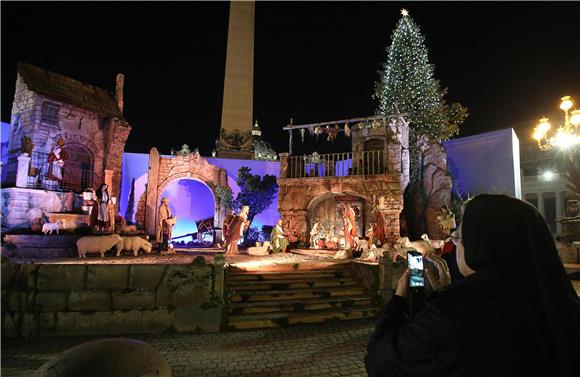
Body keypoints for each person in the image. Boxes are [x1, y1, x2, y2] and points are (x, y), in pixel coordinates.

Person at [365, 194, 580, 377]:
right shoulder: (561, 306)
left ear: (480, 246)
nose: (456, 244)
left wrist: (400, 299)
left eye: (459, 238)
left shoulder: (453, 317)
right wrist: (447, 295)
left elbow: (381, 362)